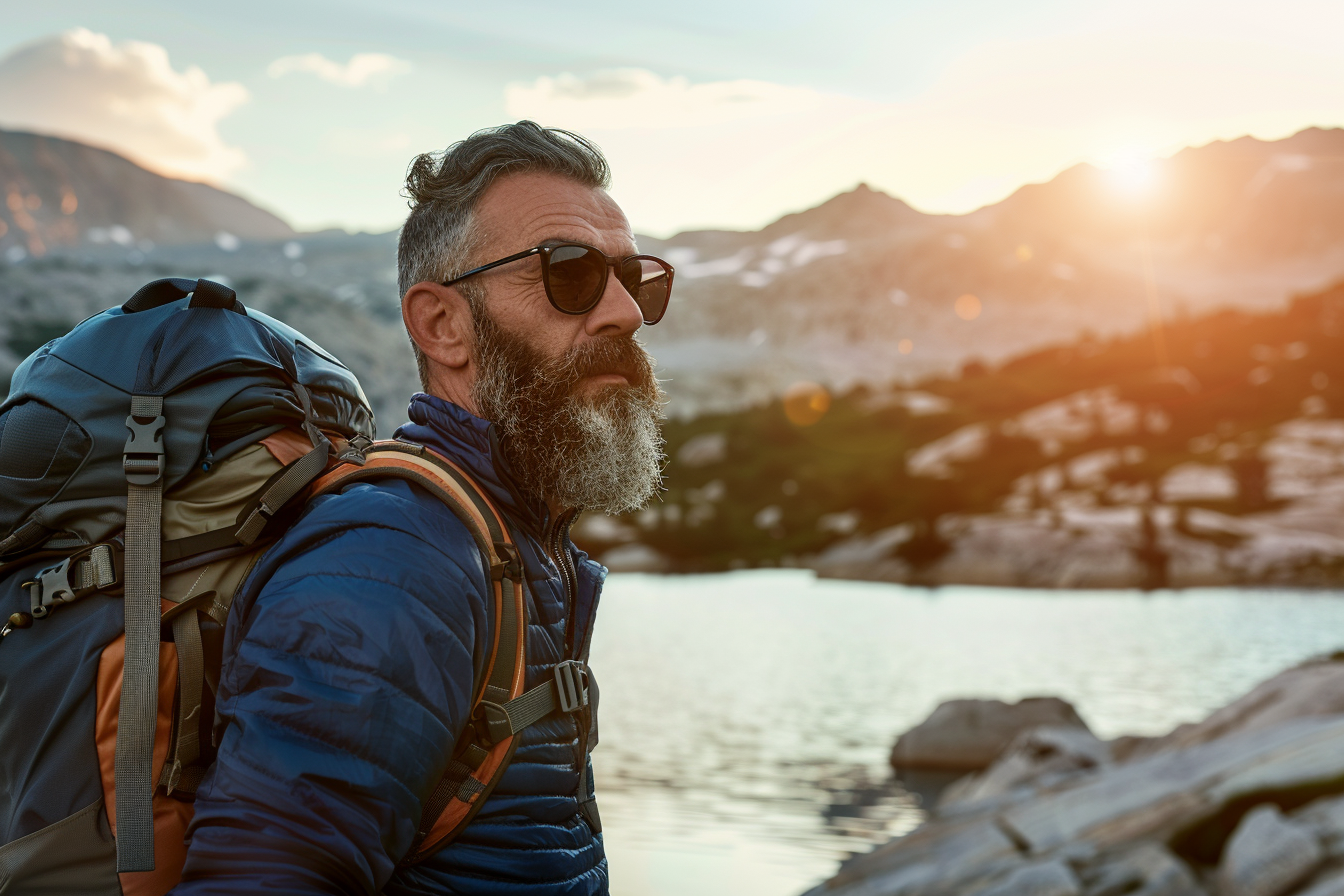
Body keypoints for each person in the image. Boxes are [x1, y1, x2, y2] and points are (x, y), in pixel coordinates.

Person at [172, 121, 671, 895]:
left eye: (634, 279)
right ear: (442, 325)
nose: (625, 313)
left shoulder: (512, 540)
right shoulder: (393, 562)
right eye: (569, 272)